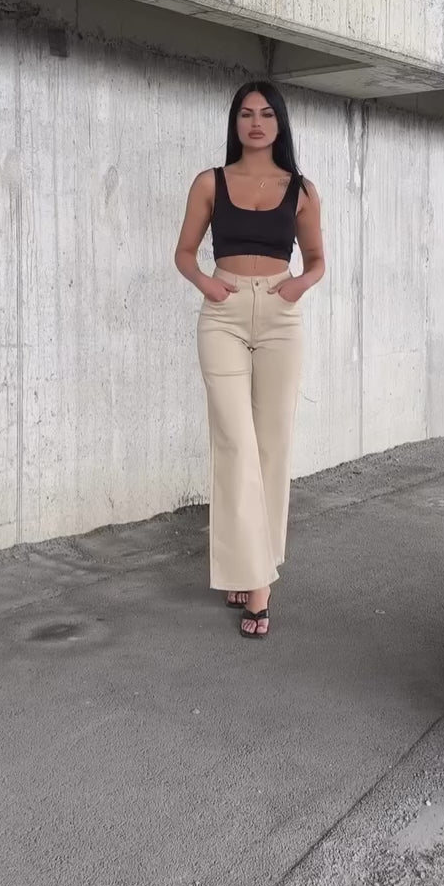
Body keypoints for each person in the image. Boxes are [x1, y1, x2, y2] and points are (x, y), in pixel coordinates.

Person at [174, 81, 325, 638]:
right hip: (225, 314)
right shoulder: (210, 183)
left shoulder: (301, 189)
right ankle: (253, 575)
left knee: (271, 445)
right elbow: (184, 254)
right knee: (235, 444)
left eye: (265, 114)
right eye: (245, 113)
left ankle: (253, 575)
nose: (255, 122)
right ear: (235, 123)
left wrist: (297, 287)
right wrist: (208, 285)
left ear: (279, 123)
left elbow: (317, 260)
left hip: (281, 317)